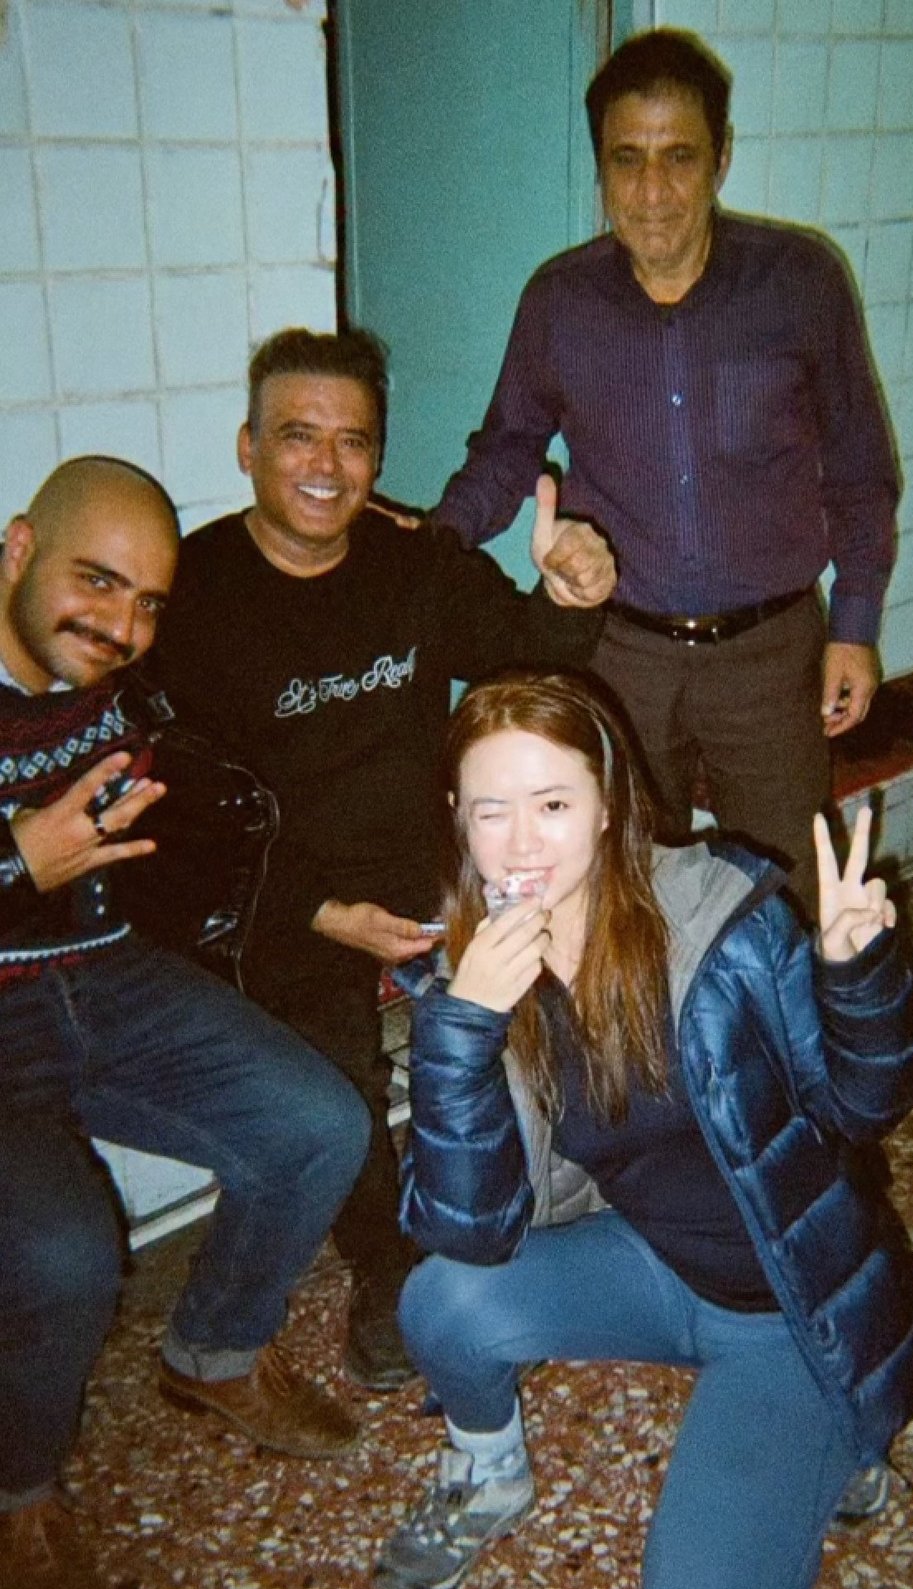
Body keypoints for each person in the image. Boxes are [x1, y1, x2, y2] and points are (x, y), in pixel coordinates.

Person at [374, 672, 913, 1589]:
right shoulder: (471, 975)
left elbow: (859, 1108)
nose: (521, 844)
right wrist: (460, 1033)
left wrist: (855, 976)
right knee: (440, 1301)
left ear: (607, 807)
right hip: (650, 1263)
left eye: (553, 805)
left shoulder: (719, 923)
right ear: (457, 818)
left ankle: (833, 1435)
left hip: (786, 1308)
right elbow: (470, 1230)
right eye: (491, 811)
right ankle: (490, 1474)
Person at [149, 326, 615, 1392]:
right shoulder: (193, 598)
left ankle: (564, 1205)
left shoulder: (413, 564)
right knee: (337, 1088)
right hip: (288, 898)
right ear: (248, 447)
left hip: (435, 865)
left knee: (566, 994)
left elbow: (525, 656)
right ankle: (386, 1267)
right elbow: (182, 822)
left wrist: (567, 599)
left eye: (353, 441)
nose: (327, 465)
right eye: (297, 436)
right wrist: (319, 912)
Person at [0, 458, 371, 1589]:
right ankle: (19, 1498)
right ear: (18, 549)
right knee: (63, 1252)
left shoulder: (124, 684)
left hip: (106, 980)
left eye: (147, 601)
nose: (121, 625)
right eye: (96, 582)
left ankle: (212, 1352)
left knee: (319, 1124)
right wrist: (18, 862)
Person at [434, 28, 901, 917]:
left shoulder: (801, 283)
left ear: (721, 159)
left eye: (679, 157)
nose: (653, 192)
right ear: (601, 169)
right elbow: (507, 446)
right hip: (620, 658)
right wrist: (432, 541)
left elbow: (859, 466)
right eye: (628, 159)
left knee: (790, 896)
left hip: (769, 660)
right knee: (621, 896)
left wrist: (856, 622)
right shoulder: (558, 302)